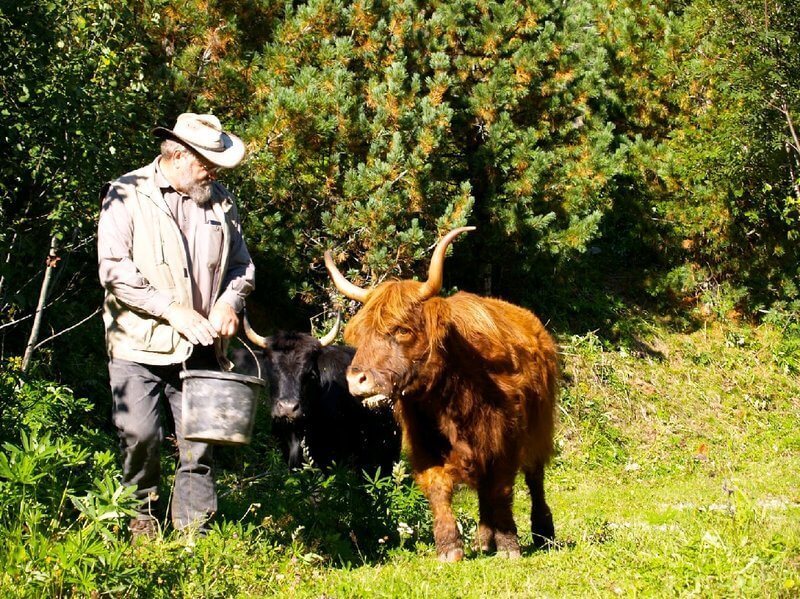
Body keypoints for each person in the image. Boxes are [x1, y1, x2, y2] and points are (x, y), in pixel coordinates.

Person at [97, 113, 256, 539]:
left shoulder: (221, 202)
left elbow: (242, 266)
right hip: (137, 344)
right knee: (140, 436)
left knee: (198, 446)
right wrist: (172, 310)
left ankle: (195, 536)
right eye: (207, 161)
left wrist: (228, 302)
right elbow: (114, 269)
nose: (215, 171)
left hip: (200, 348)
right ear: (178, 154)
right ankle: (141, 524)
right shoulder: (127, 193)